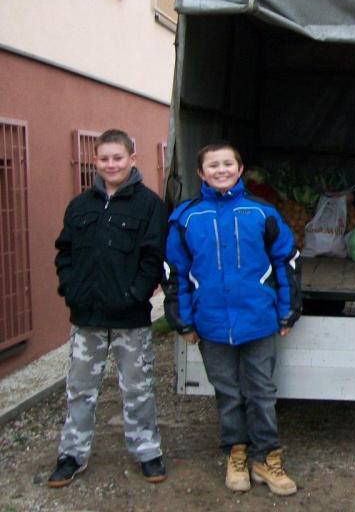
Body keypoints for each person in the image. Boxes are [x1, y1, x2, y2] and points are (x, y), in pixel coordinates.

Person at [163, 142, 301, 496]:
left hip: (258, 321)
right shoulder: (185, 217)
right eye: (213, 165)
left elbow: (286, 262)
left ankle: (266, 457)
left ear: (240, 169)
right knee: (228, 393)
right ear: (201, 172)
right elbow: (176, 273)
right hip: (210, 324)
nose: (221, 170)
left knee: (262, 393)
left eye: (228, 164)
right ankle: (236, 453)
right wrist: (184, 321)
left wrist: (287, 310)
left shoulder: (262, 213)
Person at [49, 129, 167, 487]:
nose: (111, 164)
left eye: (118, 157)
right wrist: (70, 290)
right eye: (104, 158)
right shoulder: (79, 206)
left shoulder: (149, 205)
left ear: (133, 159)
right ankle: (72, 454)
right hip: (86, 317)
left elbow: (153, 258)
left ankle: (147, 451)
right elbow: (64, 252)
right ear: (95, 161)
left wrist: (135, 294)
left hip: (130, 318)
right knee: (79, 388)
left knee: (137, 387)